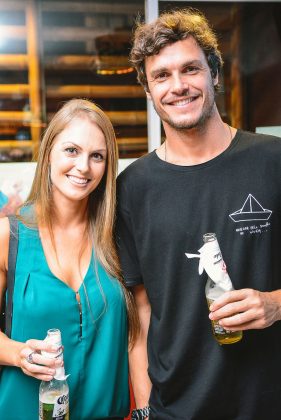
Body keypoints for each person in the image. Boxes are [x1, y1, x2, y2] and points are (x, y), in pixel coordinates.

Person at [116, 8, 281, 420]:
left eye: (190, 69)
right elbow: (141, 310)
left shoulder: (273, 161)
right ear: (149, 90)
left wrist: (276, 303)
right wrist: (147, 408)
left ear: (214, 74)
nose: (178, 86)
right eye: (161, 76)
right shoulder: (132, 187)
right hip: (175, 410)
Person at [0, 98, 138, 420]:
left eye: (97, 156)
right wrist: (20, 354)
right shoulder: (9, 236)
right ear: (49, 153)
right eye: (71, 150)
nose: (83, 167)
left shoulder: (118, 237)